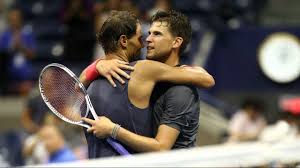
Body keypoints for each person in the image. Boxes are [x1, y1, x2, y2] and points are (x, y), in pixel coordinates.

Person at [80, 10, 214, 158]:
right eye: (146, 35)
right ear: (124, 41)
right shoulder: (141, 72)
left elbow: (207, 79)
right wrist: (98, 64)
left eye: (156, 34)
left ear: (176, 42)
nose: (146, 41)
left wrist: (113, 130)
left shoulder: (180, 89)